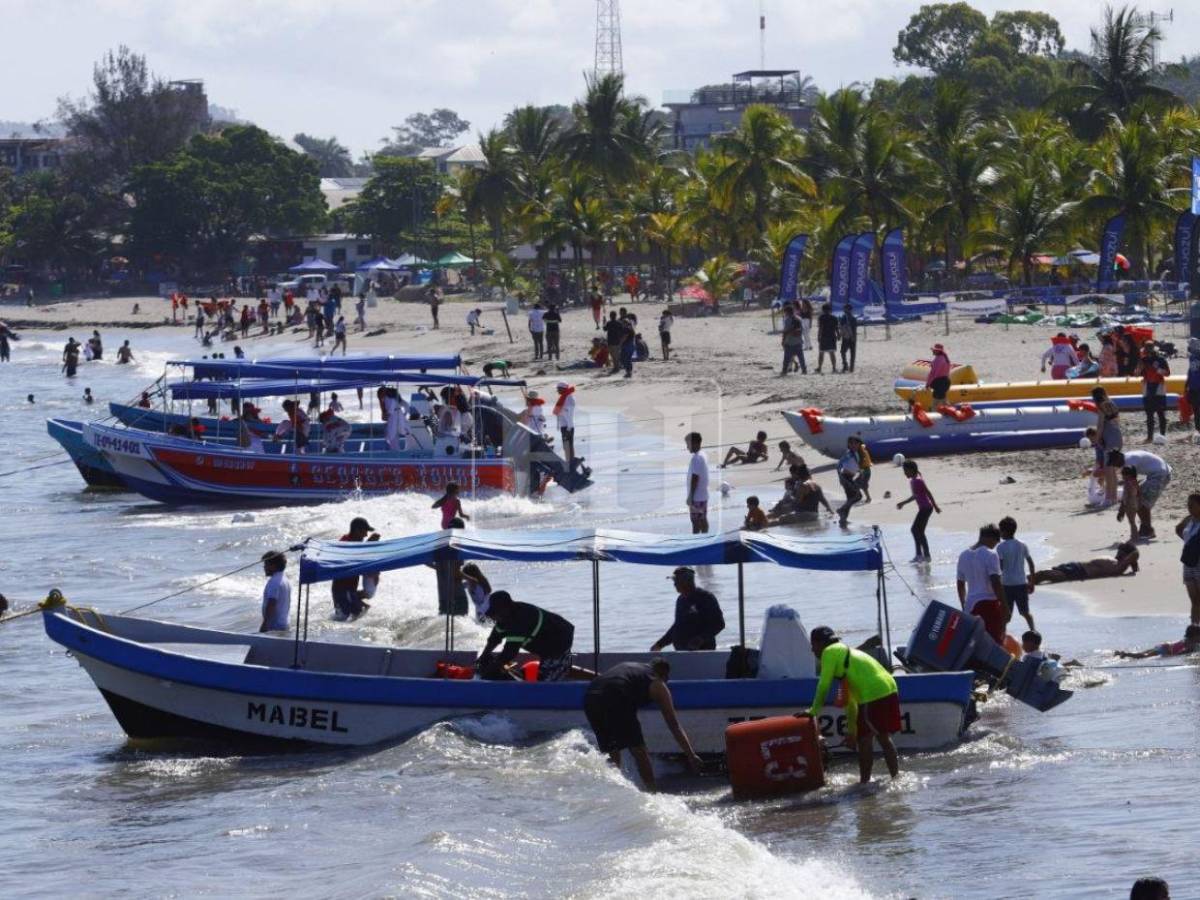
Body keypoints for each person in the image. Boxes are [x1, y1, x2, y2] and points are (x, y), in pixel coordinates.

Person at [584, 659, 703, 792]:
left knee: (611, 750)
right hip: (616, 695)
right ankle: (652, 793)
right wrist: (691, 755)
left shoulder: (630, 667)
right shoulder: (657, 682)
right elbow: (673, 724)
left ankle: (611, 792)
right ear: (664, 676)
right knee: (639, 750)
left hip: (591, 698)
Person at [805, 626, 900, 783]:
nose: (812, 650)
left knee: (865, 740)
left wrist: (813, 711)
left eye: (813, 645)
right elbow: (851, 702)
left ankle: (864, 784)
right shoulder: (845, 653)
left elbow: (823, 685)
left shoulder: (829, 652)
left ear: (820, 643)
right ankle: (895, 778)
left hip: (873, 693)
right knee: (882, 737)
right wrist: (851, 732)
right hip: (890, 688)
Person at [475, 591, 575, 682]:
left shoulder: (521, 620)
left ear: (506, 608)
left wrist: (488, 673)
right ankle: (563, 667)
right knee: (492, 662)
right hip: (544, 642)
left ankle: (565, 668)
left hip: (559, 639)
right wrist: (483, 657)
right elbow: (494, 639)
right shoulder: (503, 617)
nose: (493, 617)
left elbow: (510, 652)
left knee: (545, 681)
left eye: (495, 613)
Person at [651, 566, 724, 651]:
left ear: (687, 581)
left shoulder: (706, 597)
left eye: (676, 581)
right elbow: (677, 626)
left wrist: (701, 639)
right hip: (681, 651)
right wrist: (660, 644)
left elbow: (719, 624)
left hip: (702, 652)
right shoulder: (681, 600)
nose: (674, 584)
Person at [956, 524, 1007, 642]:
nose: (995, 545)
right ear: (989, 538)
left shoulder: (963, 555)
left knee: (976, 641)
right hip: (988, 603)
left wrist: (963, 605)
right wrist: (1004, 604)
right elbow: (995, 581)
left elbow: (960, 583)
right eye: (996, 541)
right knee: (995, 640)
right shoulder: (991, 554)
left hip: (971, 604)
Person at [1107, 450, 1171, 539]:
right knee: (1138, 499)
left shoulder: (1129, 463)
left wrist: (1122, 510)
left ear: (1118, 458)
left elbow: (1131, 487)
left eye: (1114, 464)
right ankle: (1146, 527)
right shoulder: (1127, 457)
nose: (1115, 466)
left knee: (1141, 501)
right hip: (1159, 471)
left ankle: (1148, 530)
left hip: (1160, 474)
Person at [331, 518, 376, 620]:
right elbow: (353, 558)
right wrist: (368, 544)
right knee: (347, 619)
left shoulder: (354, 543)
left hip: (349, 591)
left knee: (363, 611)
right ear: (357, 530)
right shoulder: (345, 543)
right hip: (342, 591)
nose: (366, 535)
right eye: (365, 532)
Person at [996, 516, 1036, 630]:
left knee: (1006, 616)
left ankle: (1001, 636)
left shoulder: (1000, 547)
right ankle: (1033, 631)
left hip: (1006, 585)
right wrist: (1032, 583)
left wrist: (995, 584)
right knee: (1025, 612)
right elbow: (1031, 564)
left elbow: (1000, 567)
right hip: (1021, 584)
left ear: (1004, 531)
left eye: (1000, 530)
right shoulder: (1022, 545)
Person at [897, 459, 939, 562]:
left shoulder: (918, 480)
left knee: (915, 530)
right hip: (925, 508)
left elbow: (928, 493)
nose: (904, 473)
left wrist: (936, 506)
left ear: (911, 470)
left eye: (906, 471)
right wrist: (903, 503)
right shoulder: (914, 480)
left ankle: (923, 555)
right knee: (918, 531)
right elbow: (916, 496)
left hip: (926, 508)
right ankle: (923, 555)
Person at [1033, 543, 1140, 583]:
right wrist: (1133, 560)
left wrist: (1134, 564)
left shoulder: (1120, 565)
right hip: (1077, 570)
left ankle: (1027, 580)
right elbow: (1135, 554)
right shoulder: (1114, 563)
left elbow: (1134, 564)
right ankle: (1025, 580)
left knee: (1047, 577)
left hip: (1078, 570)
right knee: (1045, 576)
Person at [1093, 386, 1123, 506]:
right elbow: (1117, 421)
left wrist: (1097, 440)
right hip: (1118, 437)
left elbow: (1100, 426)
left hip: (1109, 439)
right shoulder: (1113, 404)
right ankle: (1113, 497)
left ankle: (1109, 498)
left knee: (1108, 470)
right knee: (1113, 471)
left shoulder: (1101, 408)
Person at [1175, 492, 1200, 625]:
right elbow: (1178, 529)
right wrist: (1189, 544)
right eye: (1188, 505)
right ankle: (1194, 627)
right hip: (1188, 564)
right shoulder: (1188, 519)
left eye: (1192, 505)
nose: (1189, 507)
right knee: (1194, 599)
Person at [1139, 342, 1170, 443]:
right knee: (1149, 413)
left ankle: (1162, 435)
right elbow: (1137, 373)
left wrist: (1157, 369)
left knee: (1160, 413)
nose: (1148, 350)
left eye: (1149, 348)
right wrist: (1139, 368)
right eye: (1146, 348)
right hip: (1148, 387)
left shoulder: (1160, 359)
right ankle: (1149, 437)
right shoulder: (1143, 360)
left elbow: (1167, 373)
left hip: (1159, 387)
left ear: (1153, 348)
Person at [1115, 625, 1200, 660]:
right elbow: (1183, 652)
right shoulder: (1191, 644)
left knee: (1142, 653)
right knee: (1144, 656)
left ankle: (1121, 653)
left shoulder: (1186, 640)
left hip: (1164, 647)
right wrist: (1170, 656)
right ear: (1194, 636)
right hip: (1164, 650)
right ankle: (1125, 654)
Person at [259, 551, 291, 633]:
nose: (264, 568)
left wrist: (264, 624)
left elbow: (272, 603)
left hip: (274, 628)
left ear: (273, 566)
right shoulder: (285, 579)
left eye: (266, 564)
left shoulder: (274, 582)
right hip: (284, 625)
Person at [685, 432, 709, 534]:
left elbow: (695, 478)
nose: (687, 447)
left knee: (695, 522)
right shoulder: (702, 454)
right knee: (702, 519)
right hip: (702, 496)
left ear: (694, 443)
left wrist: (690, 496)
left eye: (688, 444)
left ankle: (696, 542)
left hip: (697, 497)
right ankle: (705, 539)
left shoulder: (696, 458)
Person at [835, 438, 862, 527]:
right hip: (845, 478)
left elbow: (853, 465)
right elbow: (838, 465)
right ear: (849, 445)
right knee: (858, 496)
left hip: (850, 478)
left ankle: (843, 519)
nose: (855, 446)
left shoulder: (855, 453)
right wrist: (840, 478)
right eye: (853, 444)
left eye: (857, 444)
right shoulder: (848, 454)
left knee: (850, 498)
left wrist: (859, 472)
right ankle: (841, 509)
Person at [1118, 465, 1143, 543]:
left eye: (1123, 475)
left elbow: (1127, 495)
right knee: (1133, 520)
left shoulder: (1127, 483)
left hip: (1129, 503)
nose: (1122, 476)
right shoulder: (1134, 481)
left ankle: (1134, 536)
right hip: (1135, 502)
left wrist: (1123, 505)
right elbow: (1139, 492)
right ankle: (1135, 534)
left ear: (1127, 475)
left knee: (1131, 521)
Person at [780, 303, 806, 375]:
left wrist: (783, 340)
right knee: (801, 357)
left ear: (787, 312)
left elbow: (785, 332)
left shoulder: (787, 320)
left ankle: (784, 370)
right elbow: (802, 330)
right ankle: (804, 370)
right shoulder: (799, 318)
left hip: (790, 341)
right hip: (798, 341)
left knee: (786, 358)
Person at [553, 382, 577, 463]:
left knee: (568, 446)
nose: (557, 391)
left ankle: (570, 462)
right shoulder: (565, 397)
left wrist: (569, 428)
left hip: (567, 427)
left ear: (563, 389)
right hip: (565, 426)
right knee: (567, 446)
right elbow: (564, 412)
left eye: (558, 389)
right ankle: (570, 462)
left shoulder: (568, 398)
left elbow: (569, 414)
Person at [815, 302, 839, 373]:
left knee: (821, 353)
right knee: (832, 353)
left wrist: (818, 336)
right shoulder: (834, 318)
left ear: (823, 310)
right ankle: (834, 368)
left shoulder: (821, 317)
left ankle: (819, 368)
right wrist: (838, 335)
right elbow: (836, 328)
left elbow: (820, 328)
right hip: (832, 337)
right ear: (830, 310)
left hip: (824, 337)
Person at [839, 303, 858, 373]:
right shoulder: (854, 318)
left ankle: (845, 365)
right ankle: (851, 368)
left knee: (843, 352)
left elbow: (842, 328)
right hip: (853, 337)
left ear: (846, 309)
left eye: (844, 308)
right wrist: (854, 337)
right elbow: (855, 329)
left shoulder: (843, 318)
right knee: (852, 353)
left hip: (846, 337)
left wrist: (840, 335)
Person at [853, 435, 872, 503]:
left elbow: (862, 461)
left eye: (855, 443)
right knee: (861, 484)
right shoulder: (861, 449)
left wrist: (859, 469)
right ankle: (866, 497)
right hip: (867, 470)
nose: (854, 445)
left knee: (859, 484)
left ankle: (865, 497)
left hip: (865, 471)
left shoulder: (861, 452)